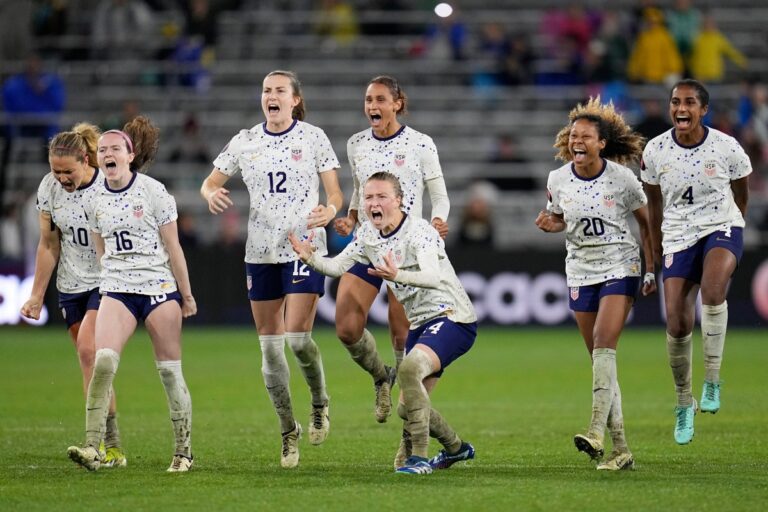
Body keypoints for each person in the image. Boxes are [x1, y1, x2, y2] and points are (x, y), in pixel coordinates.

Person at [201, 70, 342, 469]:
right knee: (269, 348)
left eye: (280, 90)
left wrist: (330, 211)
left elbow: (334, 191)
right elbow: (208, 182)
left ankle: (319, 402)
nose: (271, 96)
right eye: (266, 90)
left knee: (298, 340)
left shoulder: (312, 137)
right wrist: (211, 193)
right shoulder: (245, 141)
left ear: (295, 99)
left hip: (304, 246)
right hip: (260, 251)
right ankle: (287, 429)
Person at [291, 172, 476, 476]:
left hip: (452, 317)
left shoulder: (420, 232)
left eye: (381, 197)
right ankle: (457, 448)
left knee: (408, 369)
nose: (373, 203)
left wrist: (396, 276)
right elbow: (337, 267)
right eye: (368, 198)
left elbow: (433, 277)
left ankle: (418, 459)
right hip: (421, 325)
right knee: (407, 407)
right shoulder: (368, 235)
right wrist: (309, 257)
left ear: (399, 201)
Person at [66, 116, 197, 472]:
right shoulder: (93, 200)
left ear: (130, 154)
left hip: (157, 289)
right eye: (103, 150)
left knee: (170, 372)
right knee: (103, 361)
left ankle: (183, 451)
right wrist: (111, 282)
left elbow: (174, 247)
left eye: (115, 149)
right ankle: (95, 447)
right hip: (118, 290)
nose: (108, 154)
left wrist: (186, 295)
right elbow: (101, 250)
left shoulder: (154, 192)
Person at [535, 97, 656, 471]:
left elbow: (646, 223)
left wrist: (650, 268)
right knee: (600, 361)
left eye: (586, 135)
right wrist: (550, 223)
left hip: (620, 265)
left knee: (605, 343)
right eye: (574, 135)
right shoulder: (557, 180)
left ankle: (595, 431)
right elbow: (560, 219)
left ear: (602, 143)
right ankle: (621, 450)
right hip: (581, 270)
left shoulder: (622, 179)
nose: (577, 141)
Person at [332, 75, 449, 424]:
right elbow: (358, 189)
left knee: (402, 333)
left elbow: (439, 195)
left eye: (380, 99)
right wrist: (352, 217)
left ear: (397, 103)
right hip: (367, 245)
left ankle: (407, 405)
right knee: (346, 328)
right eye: (368, 99)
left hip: (406, 249)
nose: (372, 106)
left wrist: (438, 219)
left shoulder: (421, 143)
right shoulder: (356, 143)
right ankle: (381, 376)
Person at [641, 79, 751, 445]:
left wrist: (735, 226)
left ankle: (713, 380)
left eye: (689, 102)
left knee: (714, 290)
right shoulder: (655, 150)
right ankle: (683, 402)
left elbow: (742, 191)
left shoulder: (726, 147)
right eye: (675, 102)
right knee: (676, 322)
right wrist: (654, 250)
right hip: (677, 234)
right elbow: (654, 205)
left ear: (704, 109)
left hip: (721, 225)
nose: (680, 108)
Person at [20, 123, 127, 468]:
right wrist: (36, 295)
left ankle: (95, 444)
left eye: (68, 171)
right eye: (55, 171)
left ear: (86, 160)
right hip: (70, 286)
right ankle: (113, 447)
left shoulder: (107, 188)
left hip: (105, 280)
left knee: (87, 349)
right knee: (89, 363)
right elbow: (49, 244)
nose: (61, 178)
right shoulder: (49, 189)